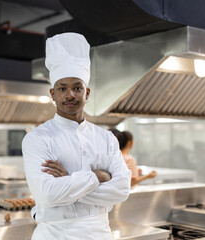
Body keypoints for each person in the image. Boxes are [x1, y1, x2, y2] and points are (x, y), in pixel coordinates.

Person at [22, 33, 131, 240]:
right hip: (55, 234)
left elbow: (122, 190)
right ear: (53, 94)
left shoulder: (106, 139)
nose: (70, 95)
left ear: (87, 93)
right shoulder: (38, 138)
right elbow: (47, 194)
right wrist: (98, 177)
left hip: (99, 233)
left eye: (77, 88)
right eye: (62, 88)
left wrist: (68, 181)